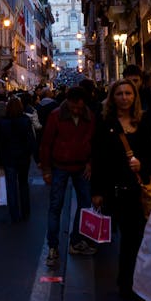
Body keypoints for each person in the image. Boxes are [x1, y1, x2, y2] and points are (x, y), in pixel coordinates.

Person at [91, 78, 151, 301]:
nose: (124, 98)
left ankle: (129, 283)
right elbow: (98, 158)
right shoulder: (105, 123)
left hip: (137, 190)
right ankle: (127, 283)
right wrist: (97, 191)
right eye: (119, 94)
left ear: (134, 96)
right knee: (127, 238)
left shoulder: (143, 121)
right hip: (115, 190)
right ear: (113, 98)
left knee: (135, 239)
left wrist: (143, 163)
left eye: (128, 93)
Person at [39, 86, 96, 267]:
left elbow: (94, 141)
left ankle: (75, 241)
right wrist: (46, 169)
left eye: (80, 107)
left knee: (85, 204)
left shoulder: (89, 116)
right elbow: (46, 143)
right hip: (60, 165)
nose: (77, 111)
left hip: (80, 165)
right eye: (74, 107)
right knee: (56, 206)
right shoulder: (56, 116)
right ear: (68, 102)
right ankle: (53, 247)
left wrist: (90, 163)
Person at [0, 97, 37, 223]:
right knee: (23, 184)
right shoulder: (25, 121)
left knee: (11, 186)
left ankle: (14, 214)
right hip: (23, 158)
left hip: (9, 158)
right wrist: (34, 156)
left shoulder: (2, 122)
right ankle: (25, 210)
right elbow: (31, 141)